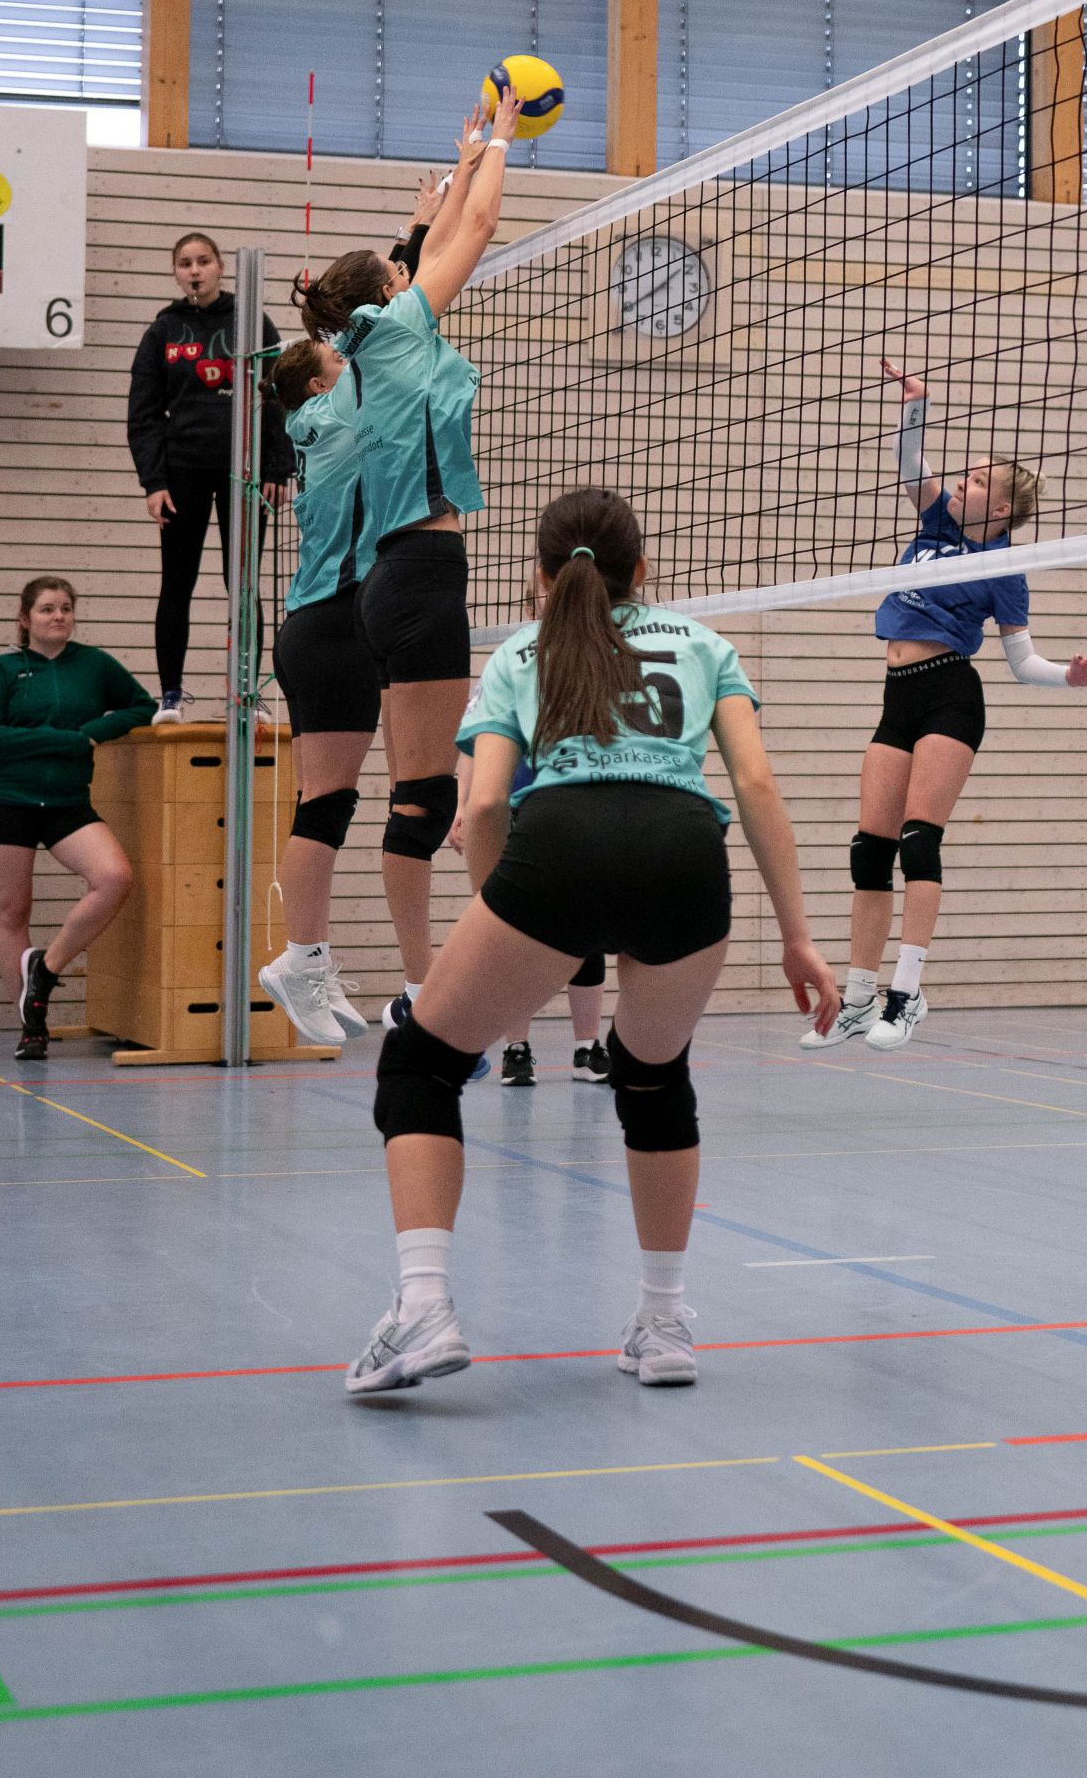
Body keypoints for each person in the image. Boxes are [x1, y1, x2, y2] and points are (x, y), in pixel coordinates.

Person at [346, 486, 839, 1398]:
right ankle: (664, 1324)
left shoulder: (519, 653)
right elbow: (757, 786)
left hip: (561, 849)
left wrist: (500, 919)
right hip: (684, 854)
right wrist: (799, 937)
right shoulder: (706, 645)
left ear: (540, 577)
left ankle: (423, 1307)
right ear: (641, 570)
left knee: (419, 1063)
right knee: (654, 1080)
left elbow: (481, 806)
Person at [804, 360, 1087, 1057]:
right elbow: (908, 460)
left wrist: (1070, 675)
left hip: (951, 695)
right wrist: (914, 404)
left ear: (1000, 510)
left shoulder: (1002, 569)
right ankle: (858, 999)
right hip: (898, 696)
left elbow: (1023, 663)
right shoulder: (935, 521)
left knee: (919, 842)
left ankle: (906, 994)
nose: (961, 482)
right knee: (869, 851)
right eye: (966, 474)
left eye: (977, 481)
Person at [254, 157, 492, 1050]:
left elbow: (385, 301)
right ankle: (344, 966)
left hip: (324, 619)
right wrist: (457, 196)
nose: (343, 346)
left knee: (328, 806)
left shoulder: (322, 410)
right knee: (356, 802)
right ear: (326, 375)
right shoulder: (355, 394)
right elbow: (396, 310)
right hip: (342, 615)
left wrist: (419, 223)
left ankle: (304, 957)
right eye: (333, 349)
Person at [294, 95, 519, 1035]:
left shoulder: (375, 339)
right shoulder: (394, 332)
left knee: (419, 796)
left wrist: (460, 164)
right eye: (399, 271)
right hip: (419, 577)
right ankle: (425, 991)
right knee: (424, 800)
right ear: (387, 293)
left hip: (398, 578)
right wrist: (502, 139)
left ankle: (417, 985)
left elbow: (434, 246)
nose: (412, 269)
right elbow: (480, 230)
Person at [0, 577, 155, 1061]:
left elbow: (143, 706)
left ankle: (46, 971)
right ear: (25, 618)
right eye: (47, 609)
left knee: (114, 878)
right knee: (13, 911)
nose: (58, 617)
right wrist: (69, 740)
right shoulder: (1, 670)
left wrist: (94, 731)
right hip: (6, 800)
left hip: (67, 802)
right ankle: (31, 1025)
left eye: (66, 609)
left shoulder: (94, 665)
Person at [127, 231, 293, 723]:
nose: (195, 270)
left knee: (242, 585)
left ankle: (247, 692)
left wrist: (278, 467)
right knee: (176, 583)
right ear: (176, 273)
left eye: (203, 261)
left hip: (243, 473)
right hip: (182, 474)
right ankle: (171, 695)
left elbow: (280, 397)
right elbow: (143, 414)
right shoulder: (163, 330)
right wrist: (154, 482)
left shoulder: (252, 322)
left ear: (220, 266)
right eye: (185, 263)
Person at [450, 746, 611, 1085]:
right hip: (512, 809)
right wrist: (462, 804)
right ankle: (516, 1050)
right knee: (512, 931)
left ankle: (587, 1048)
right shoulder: (503, 708)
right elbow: (475, 746)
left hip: (577, 806)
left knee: (586, 924)